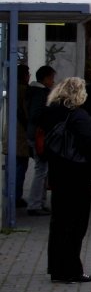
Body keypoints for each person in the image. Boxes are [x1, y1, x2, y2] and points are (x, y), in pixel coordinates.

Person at [42, 77, 91, 284]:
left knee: (58, 222)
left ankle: (57, 269)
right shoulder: (79, 115)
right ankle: (72, 270)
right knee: (76, 224)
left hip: (57, 174)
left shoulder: (52, 111)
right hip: (77, 177)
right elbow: (90, 143)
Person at [26, 64, 56, 216]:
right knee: (41, 170)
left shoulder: (33, 91)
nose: (53, 82)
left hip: (36, 134)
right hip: (40, 136)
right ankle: (35, 204)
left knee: (43, 169)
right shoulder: (40, 94)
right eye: (51, 79)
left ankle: (40, 202)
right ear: (45, 79)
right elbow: (36, 114)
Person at [1, 64, 30, 207]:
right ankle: (15, 196)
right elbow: (24, 112)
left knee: (10, 165)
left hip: (10, 130)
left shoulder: (11, 90)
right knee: (20, 166)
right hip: (21, 133)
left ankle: (9, 193)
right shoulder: (24, 91)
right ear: (24, 75)